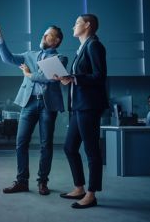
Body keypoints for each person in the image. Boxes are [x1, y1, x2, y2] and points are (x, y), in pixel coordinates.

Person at [0, 19, 67, 195]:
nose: (43, 36)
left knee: (46, 145)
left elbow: (48, 77)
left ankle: (42, 182)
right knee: (21, 143)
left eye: (48, 34)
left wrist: (29, 75)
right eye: (44, 33)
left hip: (48, 105)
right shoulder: (29, 55)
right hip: (28, 102)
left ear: (56, 41)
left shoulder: (60, 58)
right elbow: (7, 58)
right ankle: (22, 181)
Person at [56, 14, 108, 209]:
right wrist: (68, 79)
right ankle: (79, 187)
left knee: (91, 151)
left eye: (76, 23)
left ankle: (91, 194)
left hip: (89, 106)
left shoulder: (94, 45)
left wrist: (75, 77)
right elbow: (81, 77)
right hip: (78, 106)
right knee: (70, 147)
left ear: (87, 25)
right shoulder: (82, 48)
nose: (73, 27)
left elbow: (99, 76)